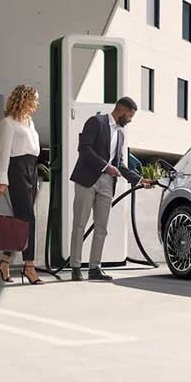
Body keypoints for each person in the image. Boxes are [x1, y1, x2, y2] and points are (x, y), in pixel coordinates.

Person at [69, 97, 154, 281]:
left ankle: (94, 268)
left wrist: (139, 179)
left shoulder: (121, 134)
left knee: (101, 227)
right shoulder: (96, 122)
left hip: (108, 183)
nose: (130, 120)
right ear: (122, 110)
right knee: (79, 225)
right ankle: (75, 266)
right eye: (130, 115)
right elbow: (84, 149)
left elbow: (120, 163)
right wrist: (105, 166)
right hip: (87, 180)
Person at [0, 84, 43, 285]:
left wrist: (36, 178)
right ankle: (29, 266)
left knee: (20, 220)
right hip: (16, 170)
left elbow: (34, 149)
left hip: (32, 170)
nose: (36, 103)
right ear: (24, 99)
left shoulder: (29, 122)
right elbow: (4, 151)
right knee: (28, 219)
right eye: (34, 99)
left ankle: (5, 261)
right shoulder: (8, 123)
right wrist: (2, 179)